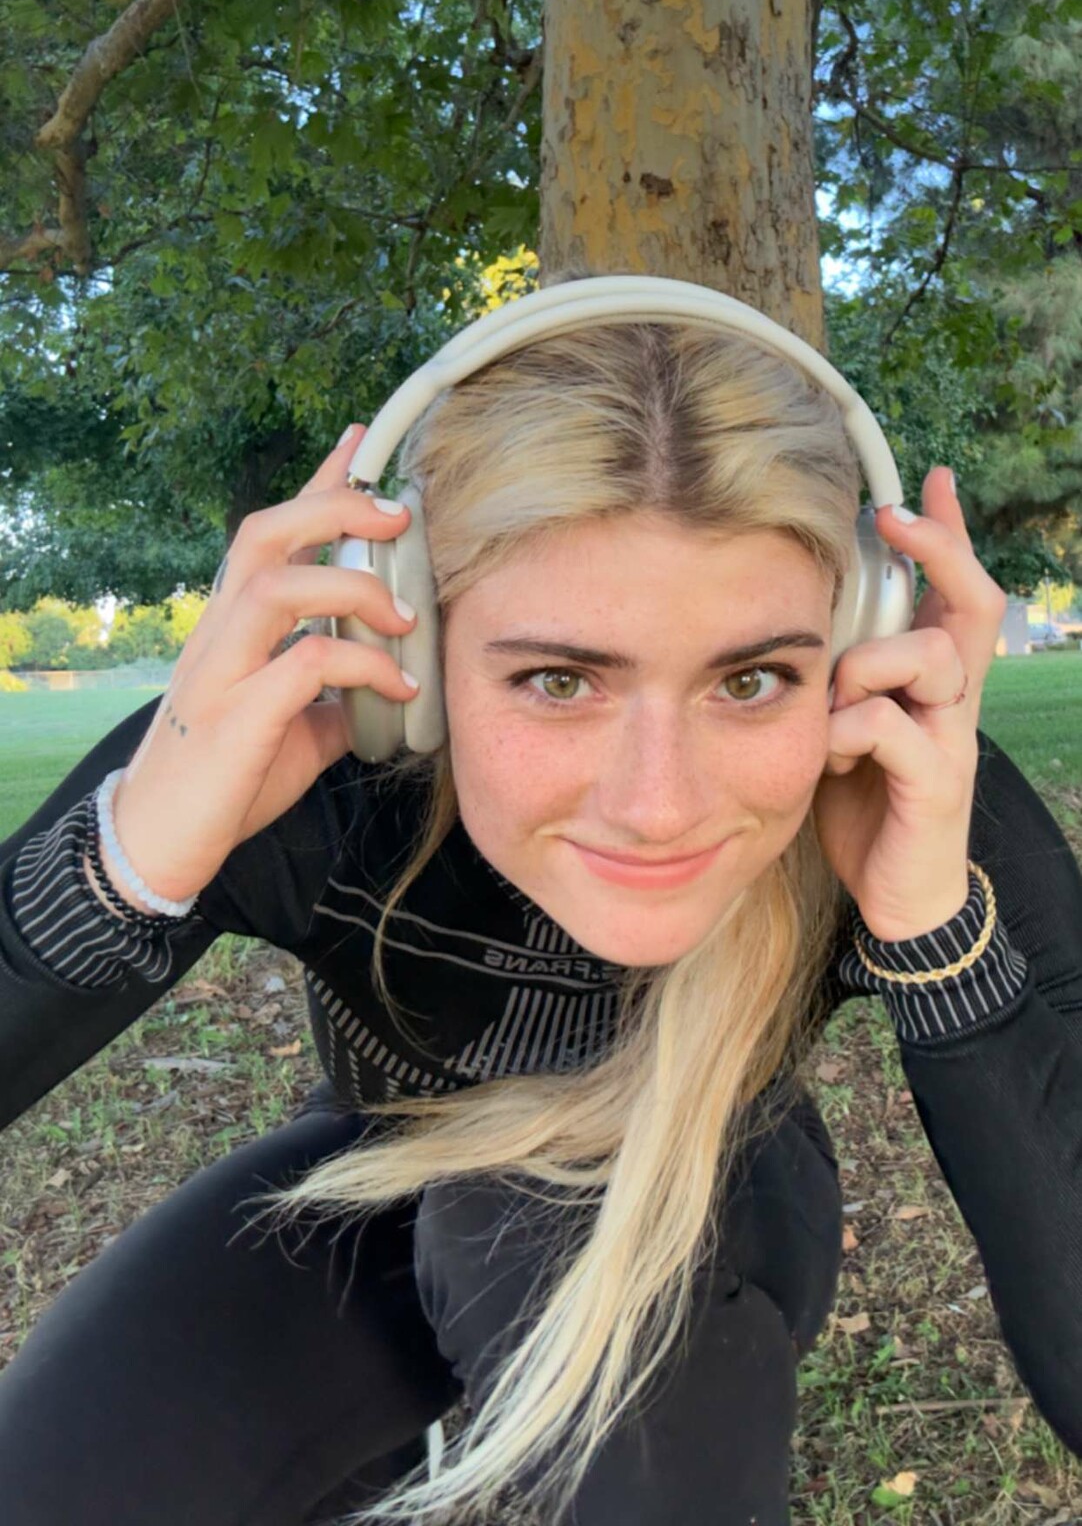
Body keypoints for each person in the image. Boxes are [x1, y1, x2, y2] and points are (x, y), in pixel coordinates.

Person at [1, 310, 1081, 1526]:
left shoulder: (896, 773)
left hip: (708, 1169)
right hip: (382, 1156)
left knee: (517, 1232)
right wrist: (127, 864)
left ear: (851, 646)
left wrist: (930, 928)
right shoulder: (297, 765)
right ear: (409, 646)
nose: (656, 806)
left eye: (751, 679)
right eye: (557, 681)